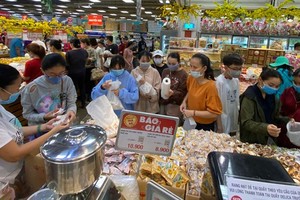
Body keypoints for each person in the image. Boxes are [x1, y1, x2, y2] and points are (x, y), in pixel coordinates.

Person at [0, 64, 69, 198]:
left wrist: (43, 127)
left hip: (15, 173)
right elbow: (14, 154)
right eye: (16, 87)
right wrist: (51, 132)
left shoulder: (1, 108)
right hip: (4, 183)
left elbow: (14, 130)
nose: (18, 90)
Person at [21, 53, 77, 139]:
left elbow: (71, 102)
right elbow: (27, 114)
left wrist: (71, 111)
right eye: (52, 74)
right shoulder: (31, 88)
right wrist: (44, 117)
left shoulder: (66, 81)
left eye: (61, 73)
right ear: (42, 70)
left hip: (63, 127)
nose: (58, 77)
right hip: (41, 131)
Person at [240, 68, 290, 145]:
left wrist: (288, 121)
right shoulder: (250, 96)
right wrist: (265, 128)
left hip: (268, 138)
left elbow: (274, 116)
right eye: (271, 85)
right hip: (252, 140)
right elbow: (246, 122)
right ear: (260, 80)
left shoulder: (272, 96)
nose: (274, 88)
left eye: (277, 86)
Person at [180, 53, 222, 131]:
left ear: (204, 68)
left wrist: (193, 112)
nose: (192, 69)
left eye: (195, 67)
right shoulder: (191, 78)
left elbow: (214, 113)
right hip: (191, 121)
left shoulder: (211, 87)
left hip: (205, 125)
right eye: (191, 66)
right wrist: (184, 102)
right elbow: (190, 91)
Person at [216, 53, 243, 135]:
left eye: (240, 68)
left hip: (233, 116)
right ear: (226, 67)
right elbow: (216, 105)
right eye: (235, 68)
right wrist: (219, 125)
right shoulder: (219, 82)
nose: (238, 71)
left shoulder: (236, 80)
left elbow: (236, 100)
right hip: (222, 119)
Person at [160, 52, 187, 119]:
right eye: (169, 63)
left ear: (178, 62)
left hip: (175, 105)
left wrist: (173, 93)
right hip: (163, 102)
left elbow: (183, 92)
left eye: (173, 64)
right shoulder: (165, 71)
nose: (171, 65)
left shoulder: (183, 74)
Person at [279, 68, 300, 148]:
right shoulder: (288, 92)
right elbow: (279, 111)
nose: (297, 86)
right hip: (286, 131)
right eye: (295, 83)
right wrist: (286, 119)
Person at [65, 39, 88, 108]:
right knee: (82, 87)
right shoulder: (84, 51)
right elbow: (86, 60)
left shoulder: (69, 53)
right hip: (83, 71)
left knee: (73, 88)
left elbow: (67, 64)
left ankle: (74, 103)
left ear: (72, 44)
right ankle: (83, 102)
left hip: (73, 72)